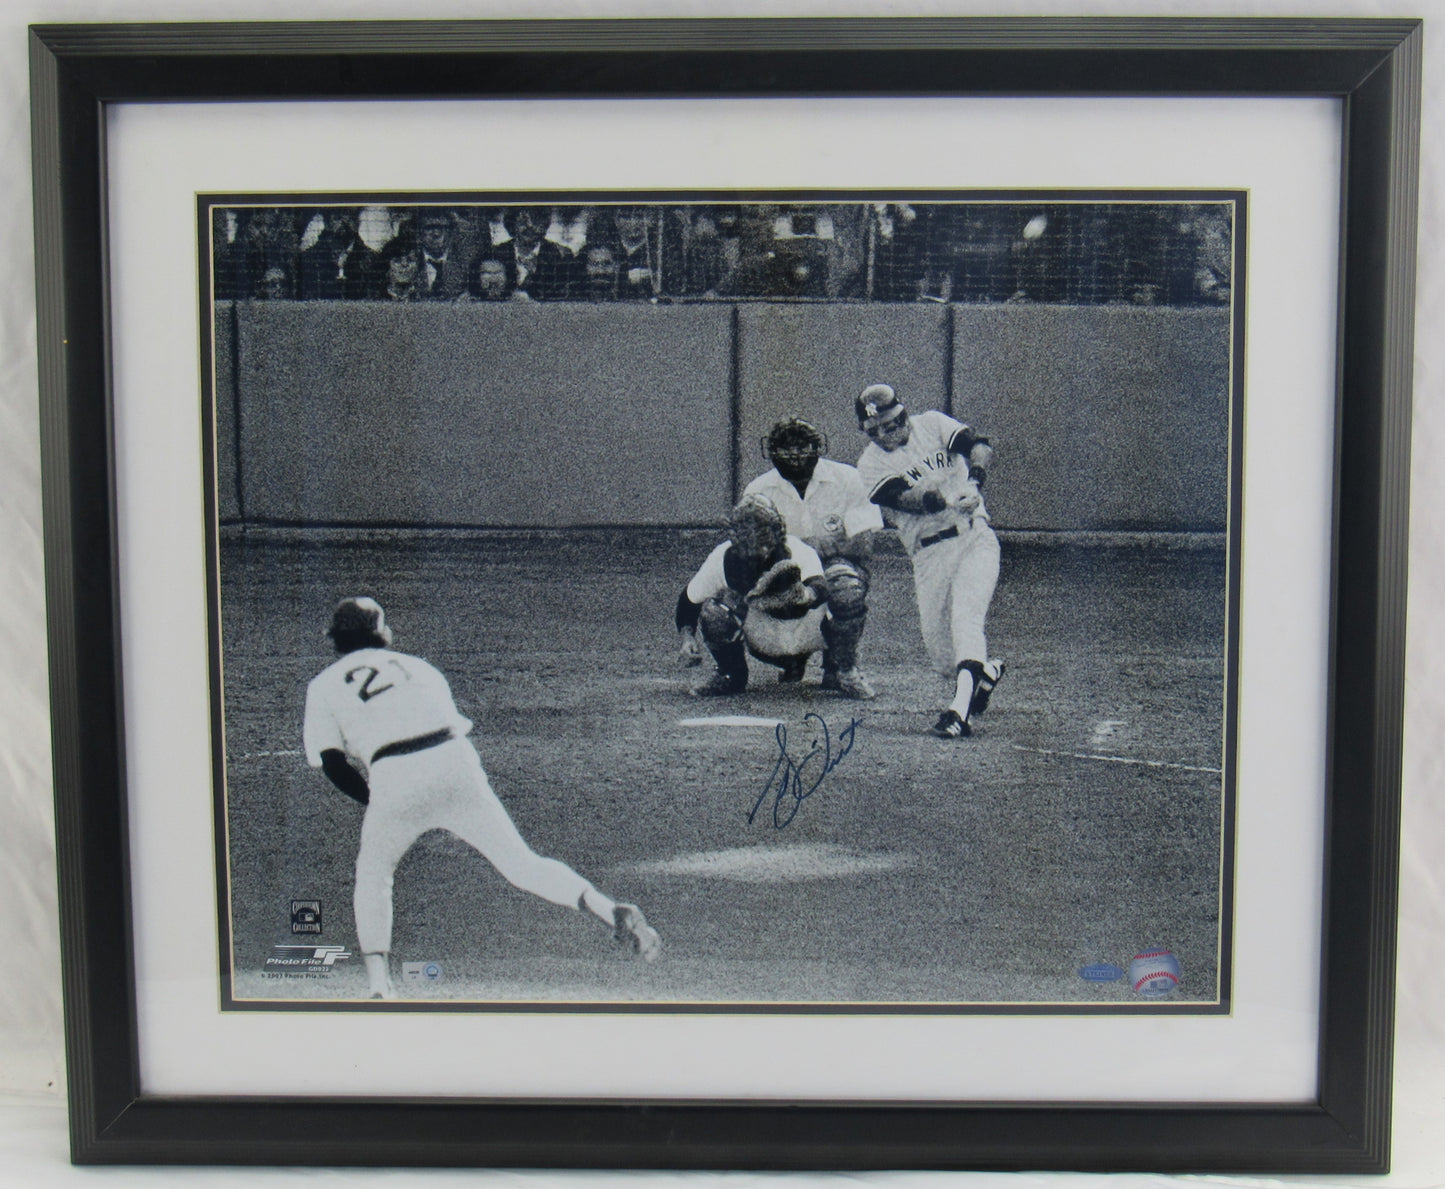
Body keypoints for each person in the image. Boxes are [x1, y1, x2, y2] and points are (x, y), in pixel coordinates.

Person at [302, 597, 661, 999]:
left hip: (395, 773)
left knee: (374, 874)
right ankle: (605, 907)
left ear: (336, 639)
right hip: (456, 761)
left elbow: (333, 764)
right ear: (381, 634)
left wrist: (382, 802)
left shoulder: (324, 685)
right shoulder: (419, 667)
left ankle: (379, 987)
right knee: (522, 864)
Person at [852, 384, 1006, 738]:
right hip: (928, 553)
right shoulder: (870, 464)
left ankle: (959, 712)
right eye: (874, 431)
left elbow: (979, 445)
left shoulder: (933, 424)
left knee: (966, 620)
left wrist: (976, 480)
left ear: (904, 414)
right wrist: (953, 495)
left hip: (973, 536)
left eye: (891, 424)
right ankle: (984, 674)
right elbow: (915, 500)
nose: (885, 435)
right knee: (941, 654)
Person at [739, 418, 883, 699]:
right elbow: (753, 555)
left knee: (845, 584)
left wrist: (795, 545)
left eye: (802, 446)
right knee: (761, 592)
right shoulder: (758, 490)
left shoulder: (848, 479)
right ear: (771, 451)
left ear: (818, 447)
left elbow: (863, 544)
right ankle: (789, 657)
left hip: (833, 567)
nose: (795, 455)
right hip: (785, 571)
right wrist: (814, 546)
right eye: (785, 448)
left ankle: (843, 667)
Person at [676, 495, 830, 697]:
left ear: (777, 530)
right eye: (747, 532)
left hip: (808, 633)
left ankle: (839, 667)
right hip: (764, 640)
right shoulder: (723, 557)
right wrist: (687, 638)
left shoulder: (798, 550)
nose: (756, 540)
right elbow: (689, 601)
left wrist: (805, 595)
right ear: (735, 535)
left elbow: (821, 587)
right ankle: (731, 673)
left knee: (844, 586)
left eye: (761, 531)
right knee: (715, 611)